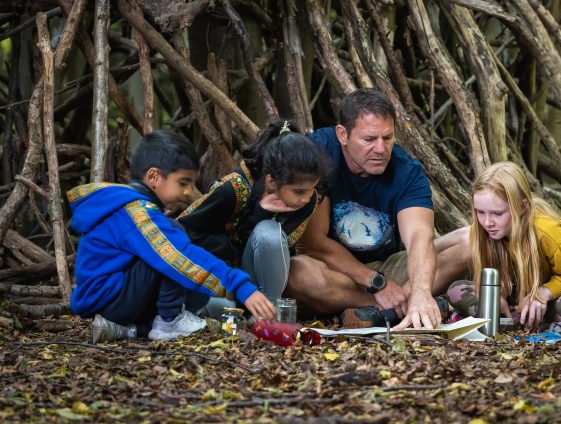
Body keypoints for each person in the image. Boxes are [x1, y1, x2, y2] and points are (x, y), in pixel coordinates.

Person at [286, 89, 470, 330]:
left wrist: (421, 290)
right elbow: (312, 244)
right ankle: (387, 306)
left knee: (472, 240)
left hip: (388, 267)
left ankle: (407, 303)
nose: (381, 149)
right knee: (297, 274)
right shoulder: (319, 155)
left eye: (387, 138)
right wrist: (377, 284)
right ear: (343, 134)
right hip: (334, 272)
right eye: (369, 140)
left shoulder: (406, 170)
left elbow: (419, 237)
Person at [68, 131, 276, 344]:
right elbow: (179, 254)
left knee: (191, 281)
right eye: (183, 183)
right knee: (172, 241)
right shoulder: (136, 213)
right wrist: (240, 286)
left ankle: (130, 329)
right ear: (154, 177)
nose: (188, 192)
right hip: (109, 301)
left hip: (111, 299)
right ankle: (169, 322)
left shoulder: (128, 206)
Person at [178, 120, 329, 313]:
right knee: (221, 309)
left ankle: (267, 314)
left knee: (270, 234)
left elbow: (277, 256)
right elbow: (182, 235)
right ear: (271, 182)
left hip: (258, 286)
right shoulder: (232, 189)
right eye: (299, 191)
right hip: (217, 281)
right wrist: (257, 215)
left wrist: (259, 221)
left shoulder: (307, 202)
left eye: (312, 189)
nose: (307, 198)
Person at [447, 162, 561, 334]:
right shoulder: (485, 231)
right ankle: (526, 322)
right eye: (480, 212)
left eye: (497, 213)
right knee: (456, 289)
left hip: (554, 296)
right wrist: (497, 294)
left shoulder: (548, 230)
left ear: (523, 207)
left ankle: (493, 322)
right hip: (519, 299)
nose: (487, 222)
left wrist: (544, 293)